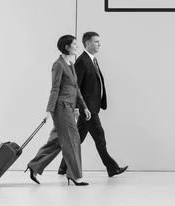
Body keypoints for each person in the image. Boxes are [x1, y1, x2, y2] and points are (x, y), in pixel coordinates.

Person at [57, 31, 128, 178]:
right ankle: (111, 167)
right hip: (87, 108)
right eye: (96, 42)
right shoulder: (82, 61)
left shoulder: (92, 60)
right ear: (88, 43)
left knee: (79, 138)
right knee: (99, 137)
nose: (99, 44)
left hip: (92, 106)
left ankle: (63, 167)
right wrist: (79, 107)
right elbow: (75, 86)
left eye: (99, 41)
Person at [25, 35, 92, 186]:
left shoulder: (70, 65)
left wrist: (83, 107)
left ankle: (34, 166)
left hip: (69, 107)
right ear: (67, 47)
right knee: (73, 140)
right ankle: (75, 175)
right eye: (74, 44)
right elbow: (55, 88)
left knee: (57, 141)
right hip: (61, 108)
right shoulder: (58, 65)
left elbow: (76, 89)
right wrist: (49, 110)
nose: (77, 47)